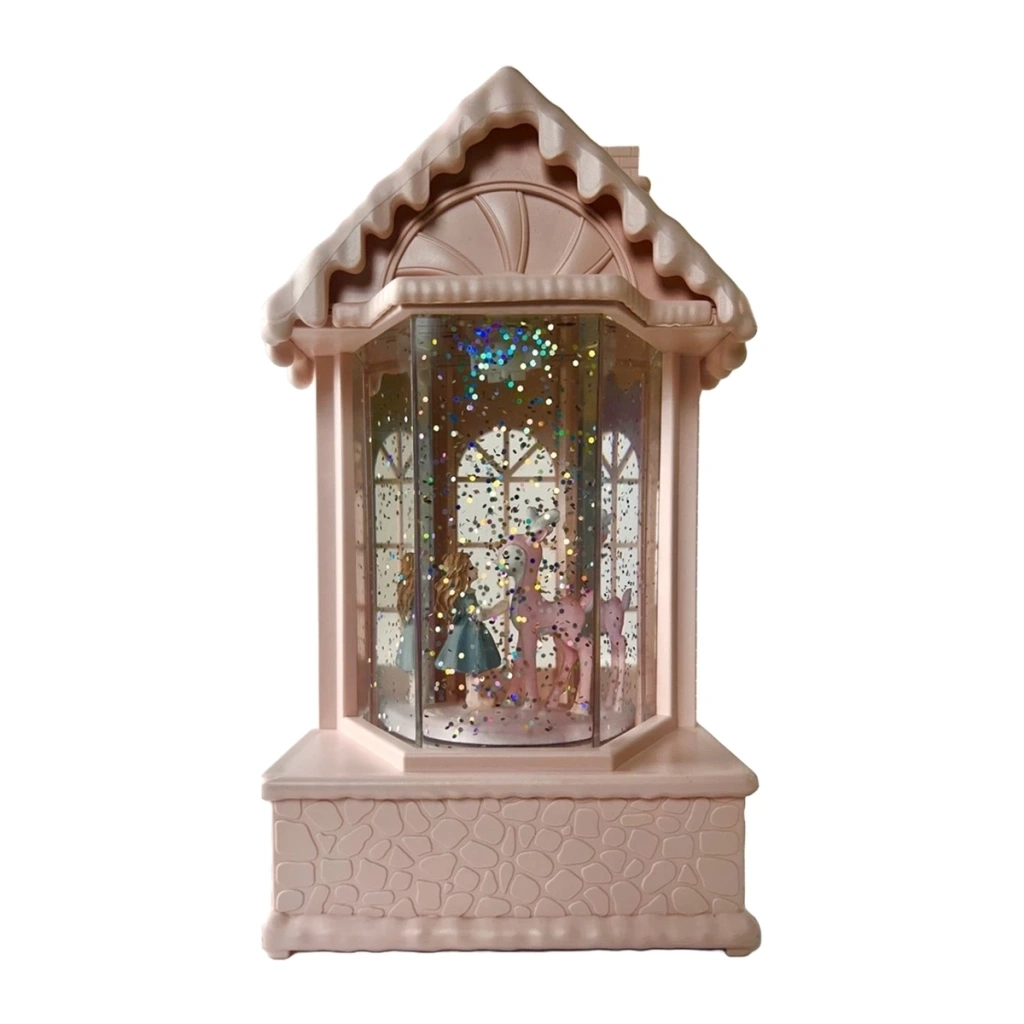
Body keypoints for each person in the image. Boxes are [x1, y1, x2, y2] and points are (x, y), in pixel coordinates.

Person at [434, 550, 505, 707]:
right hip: (469, 633)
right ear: (462, 573)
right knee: (473, 665)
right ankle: (474, 697)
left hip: (467, 631)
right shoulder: (465, 596)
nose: (476, 570)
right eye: (471, 568)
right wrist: (496, 609)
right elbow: (477, 614)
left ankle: (473, 696)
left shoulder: (464, 593)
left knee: (472, 667)